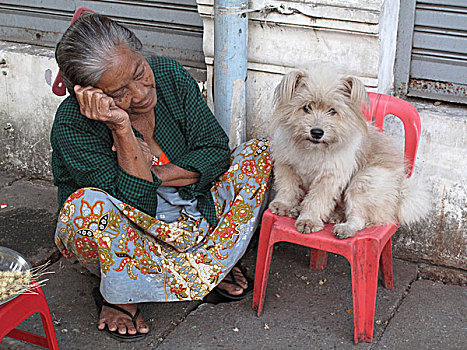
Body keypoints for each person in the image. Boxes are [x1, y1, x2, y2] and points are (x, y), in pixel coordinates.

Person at [51, 12, 272, 341]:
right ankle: (123, 293)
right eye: (118, 93)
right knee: (87, 207)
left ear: (141, 53)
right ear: (90, 96)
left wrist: (154, 173)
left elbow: (215, 150)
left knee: (259, 153)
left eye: (139, 72)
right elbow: (136, 207)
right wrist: (121, 128)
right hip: (129, 236)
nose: (139, 94)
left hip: (190, 210)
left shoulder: (169, 74)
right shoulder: (72, 125)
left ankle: (199, 265)